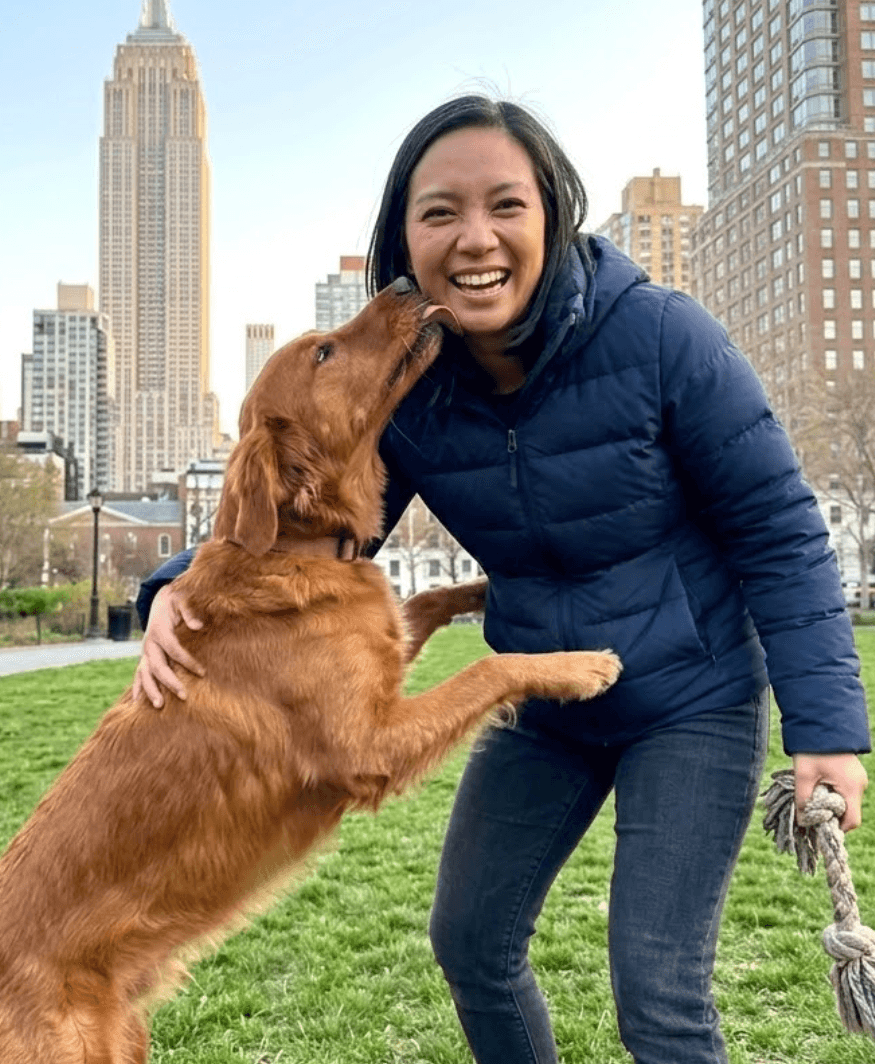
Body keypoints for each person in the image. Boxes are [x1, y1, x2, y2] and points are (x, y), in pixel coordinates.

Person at [132, 96, 870, 1064]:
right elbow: (307, 525)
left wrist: (823, 728)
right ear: (404, 234)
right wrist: (176, 591)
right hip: (546, 696)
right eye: (439, 211)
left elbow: (778, 530)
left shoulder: (659, 335)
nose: (473, 237)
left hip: (688, 700)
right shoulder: (413, 390)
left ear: (549, 213)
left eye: (503, 205)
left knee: (656, 991)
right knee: (469, 939)